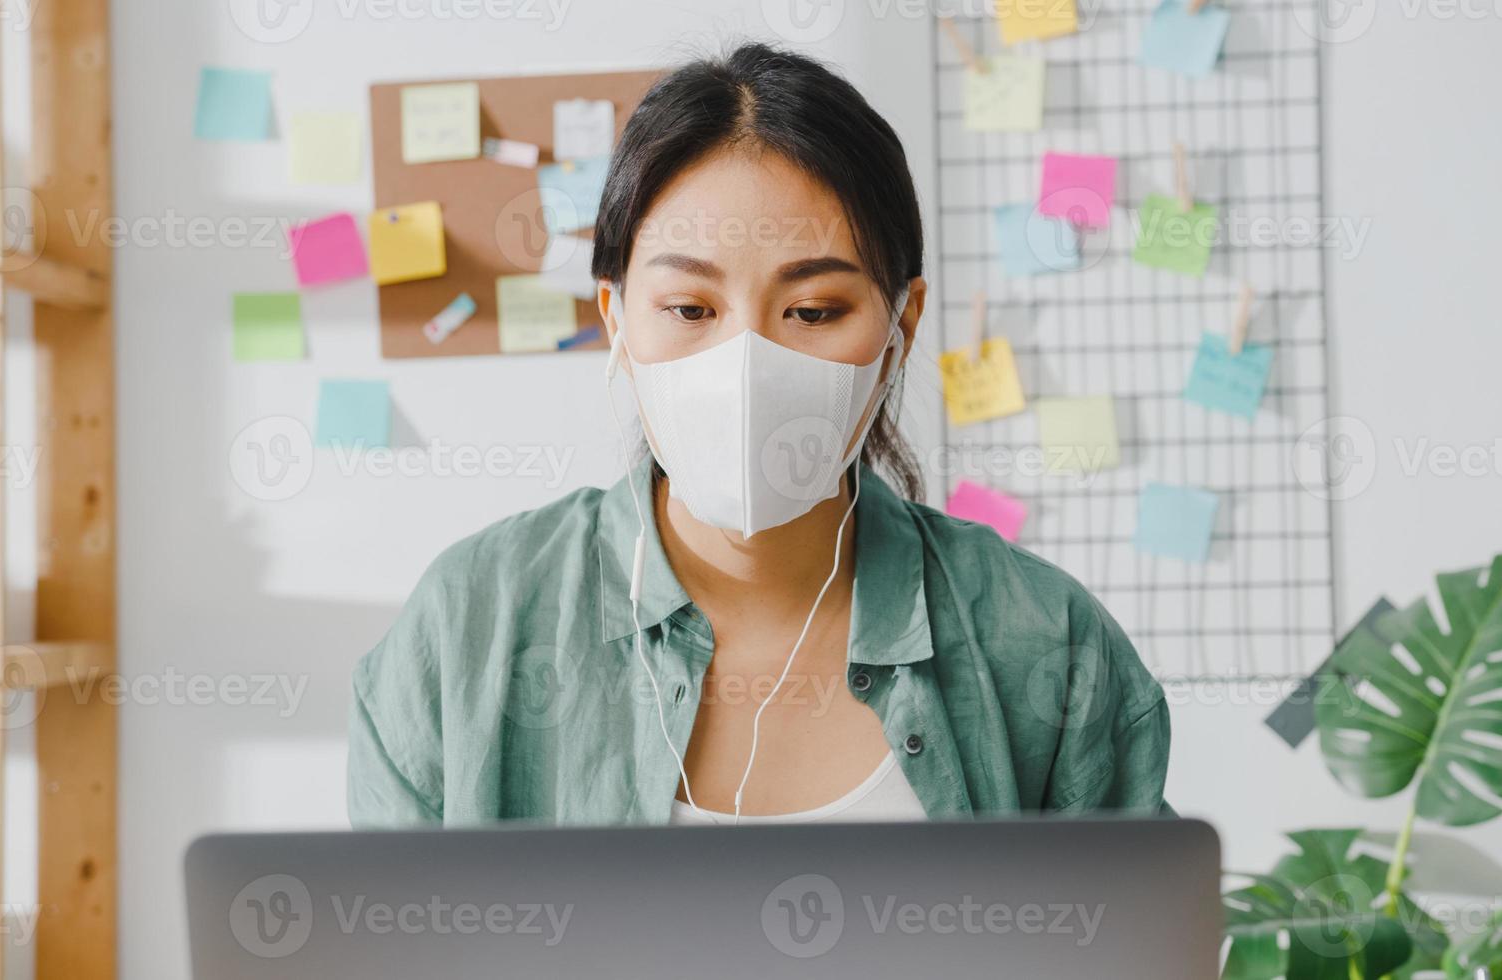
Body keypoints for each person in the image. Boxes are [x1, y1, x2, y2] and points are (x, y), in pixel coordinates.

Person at [348, 42, 1171, 827]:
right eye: (690, 310)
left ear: (902, 327)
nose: (747, 364)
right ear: (617, 319)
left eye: (812, 312)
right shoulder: (465, 632)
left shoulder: (1046, 642)